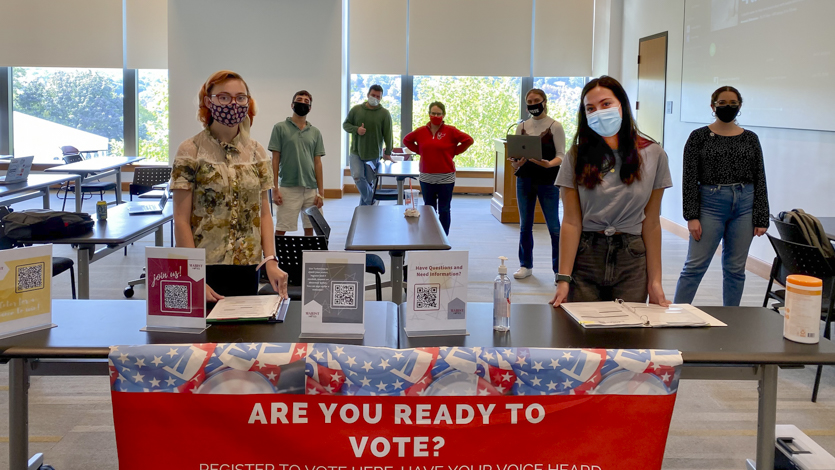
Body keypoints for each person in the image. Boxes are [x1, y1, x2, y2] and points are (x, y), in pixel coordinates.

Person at [551, 76, 672, 307]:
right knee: (583, 335)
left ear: (622, 106)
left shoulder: (654, 154)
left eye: (606, 104)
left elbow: (652, 222)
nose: (599, 112)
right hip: (586, 254)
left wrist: (655, 282)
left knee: (628, 336)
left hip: (632, 257)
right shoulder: (575, 156)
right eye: (590, 108)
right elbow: (571, 222)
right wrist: (563, 279)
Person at [171, 70, 288, 302]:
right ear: (208, 101)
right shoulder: (190, 151)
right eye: (224, 97)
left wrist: (270, 259)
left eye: (240, 97)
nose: (233, 104)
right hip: (205, 265)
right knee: (204, 335)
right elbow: (181, 220)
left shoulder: (256, 151)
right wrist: (194, 276)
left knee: (245, 335)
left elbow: (263, 213)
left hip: (248, 264)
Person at [674, 86, 768, 306]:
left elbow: (760, 177)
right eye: (722, 103)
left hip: (745, 204)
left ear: (740, 106)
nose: (728, 107)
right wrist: (691, 216)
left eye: (733, 103)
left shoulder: (751, 138)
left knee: (736, 269)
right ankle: (677, 315)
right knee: (694, 266)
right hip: (710, 205)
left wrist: (761, 217)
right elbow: (689, 178)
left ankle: (731, 319)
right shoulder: (698, 137)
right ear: (712, 106)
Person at [511, 88, 566, 279]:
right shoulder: (522, 126)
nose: (533, 104)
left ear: (544, 102)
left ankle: (559, 270)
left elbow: (561, 155)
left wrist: (548, 164)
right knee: (525, 225)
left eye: (537, 100)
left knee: (554, 227)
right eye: (530, 101)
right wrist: (516, 162)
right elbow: (518, 153)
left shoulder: (555, 126)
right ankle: (525, 265)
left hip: (549, 180)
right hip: (524, 179)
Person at [402, 101, 473, 235]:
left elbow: (468, 140)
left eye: (438, 114)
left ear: (443, 115)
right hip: (426, 177)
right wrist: (420, 151)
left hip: (446, 177)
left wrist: (454, 151)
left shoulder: (451, 131)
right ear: (429, 114)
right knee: (429, 208)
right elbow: (406, 140)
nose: (436, 116)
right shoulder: (421, 131)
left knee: (444, 209)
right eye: (433, 113)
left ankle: (443, 236)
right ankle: (431, 234)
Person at [268, 90, 325, 236]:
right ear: (292, 104)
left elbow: (317, 163)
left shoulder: (315, 132)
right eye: (299, 100)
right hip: (288, 186)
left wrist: (321, 192)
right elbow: (275, 159)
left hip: (310, 187)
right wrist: (275, 188)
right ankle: (276, 257)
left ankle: (308, 256)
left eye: (307, 102)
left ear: (310, 108)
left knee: (310, 227)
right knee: (282, 227)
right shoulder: (280, 128)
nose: (303, 103)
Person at [342, 84, 393, 206]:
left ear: (381, 98)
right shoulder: (356, 110)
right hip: (356, 152)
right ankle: (372, 199)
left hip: (373, 153)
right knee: (358, 177)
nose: (375, 98)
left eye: (378, 96)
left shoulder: (384, 114)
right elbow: (346, 125)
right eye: (373, 95)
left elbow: (388, 134)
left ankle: (364, 213)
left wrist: (388, 152)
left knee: (369, 182)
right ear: (367, 95)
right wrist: (356, 129)